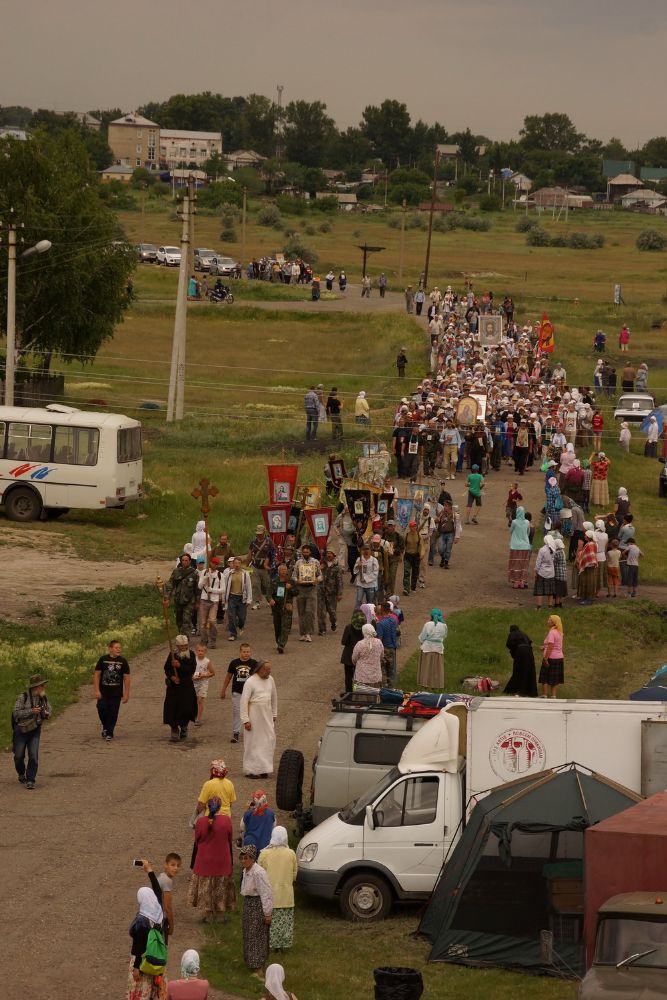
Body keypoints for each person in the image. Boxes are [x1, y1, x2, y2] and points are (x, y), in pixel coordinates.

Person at [188, 796, 235, 923]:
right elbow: (229, 838)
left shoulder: (200, 822)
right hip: (222, 862)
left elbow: (197, 840)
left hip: (204, 862)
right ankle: (220, 916)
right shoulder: (226, 821)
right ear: (220, 807)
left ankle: (208, 916)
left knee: (206, 889)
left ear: (208, 807)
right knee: (221, 888)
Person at [127, 860, 166, 1000]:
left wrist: (136, 967)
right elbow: (158, 891)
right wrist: (149, 870)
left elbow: (139, 946)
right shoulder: (159, 914)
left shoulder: (142, 922)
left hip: (143, 963)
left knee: (141, 994)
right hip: (156, 960)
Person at [259, 827, 298, 952]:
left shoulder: (265, 854)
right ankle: (282, 945)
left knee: (271, 921)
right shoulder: (291, 853)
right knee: (285, 922)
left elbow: (260, 874)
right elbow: (294, 874)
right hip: (286, 896)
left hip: (269, 896)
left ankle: (271, 944)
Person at [12, 673, 51, 789]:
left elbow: (49, 709)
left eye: (43, 685)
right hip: (21, 730)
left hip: (35, 730)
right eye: (41, 686)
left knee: (33, 755)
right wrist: (31, 711)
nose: (43, 688)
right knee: (18, 756)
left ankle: (30, 779)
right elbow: (16, 713)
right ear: (35, 687)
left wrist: (47, 714)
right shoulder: (23, 697)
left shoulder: (43, 697)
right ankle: (21, 773)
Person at [240, 661, 278, 778]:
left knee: (268, 740)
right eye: (266, 669)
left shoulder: (270, 679)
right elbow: (244, 701)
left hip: (266, 715)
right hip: (254, 716)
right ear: (260, 669)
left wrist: (274, 713)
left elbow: (274, 697)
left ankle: (263, 769)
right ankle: (251, 770)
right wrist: (245, 720)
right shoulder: (250, 681)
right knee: (253, 743)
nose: (269, 672)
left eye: (270, 669)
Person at [239, 845, 273, 973]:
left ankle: (258, 965)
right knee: (248, 934)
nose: (243, 861)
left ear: (252, 859)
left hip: (257, 906)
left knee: (256, 935)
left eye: (246, 858)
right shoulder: (246, 870)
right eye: (241, 858)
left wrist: (267, 913)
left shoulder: (259, 873)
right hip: (249, 904)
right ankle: (251, 963)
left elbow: (266, 893)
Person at [94, 639, 130, 742]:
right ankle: (106, 727)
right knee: (101, 708)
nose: (119, 649)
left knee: (113, 712)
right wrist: (97, 690)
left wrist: (126, 694)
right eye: (116, 647)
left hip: (116, 693)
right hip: (103, 692)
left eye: (120, 648)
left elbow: (127, 678)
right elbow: (97, 675)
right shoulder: (103, 659)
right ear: (110, 649)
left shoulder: (123, 661)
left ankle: (109, 732)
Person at [220, 642, 257, 743]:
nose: (246, 654)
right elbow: (228, 677)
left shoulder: (254, 663)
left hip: (250, 692)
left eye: (248, 652)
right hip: (237, 691)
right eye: (244, 652)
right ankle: (236, 732)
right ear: (240, 652)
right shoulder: (234, 663)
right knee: (237, 712)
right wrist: (223, 690)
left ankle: (250, 731)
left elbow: (258, 678)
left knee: (250, 712)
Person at [163, 636, 198, 742]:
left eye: (185, 646)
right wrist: (172, 677)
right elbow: (167, 668)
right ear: (177, 646)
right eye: (181, 646)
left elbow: (192, 669)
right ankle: (174, 729)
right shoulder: (173, 654)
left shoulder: (191, 654)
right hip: (174, 687)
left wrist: (179, 666)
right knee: (172, 708)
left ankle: (184, 726)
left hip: (186, 686)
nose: (183, 648)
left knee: (186, 708)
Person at [292, 544, 322, 642]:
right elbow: (294, 576)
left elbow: (320, 575)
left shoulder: (315, 562)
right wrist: (297, 580)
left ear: (310, 552)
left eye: (307, 552)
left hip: (311, 589)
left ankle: (308, 633)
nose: (305, 554)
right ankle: (302, 633)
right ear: (302, 553)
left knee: (310, 612)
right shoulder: (298, 563)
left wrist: (316, 580)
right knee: (301, 612)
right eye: (304, 552)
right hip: (301, 589)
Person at [165, 555, 199, 634]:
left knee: (186, 621)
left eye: (186, 560)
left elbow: (197, 589)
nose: (184, 562)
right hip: (178, 600)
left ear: (189, 561)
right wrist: (167, 598)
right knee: (179, 621)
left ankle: (185, 638)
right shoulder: (176, 572)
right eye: (183, 560)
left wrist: (198, 601)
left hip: (189, 601)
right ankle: (181, 636)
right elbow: (170, 585)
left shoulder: (194, 573)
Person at [222, 557, 253, 641]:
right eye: (235, 563)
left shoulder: (245, 574)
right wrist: (224, 599)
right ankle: (233, 634)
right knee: (231, 616)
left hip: (242, 598)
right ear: (233, 564)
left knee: (242, 617)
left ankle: (241, 626)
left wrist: (249, 599)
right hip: (232, 597)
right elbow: (225, 586)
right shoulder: (229, 574)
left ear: (241, 564)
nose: (237, 565)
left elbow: (249, 587)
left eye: (239, 563)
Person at [247, 526, 276, 610]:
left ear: (264, 532)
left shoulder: (269, 542)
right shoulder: (253, 542)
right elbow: (250, 553)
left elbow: (273, 554)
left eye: (261, 533)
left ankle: (269, 599)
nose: (259, 535)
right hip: (255, 566)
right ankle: (257, 602)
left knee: (267, 584)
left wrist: (271, 565)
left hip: (265, 567)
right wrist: (246, 565)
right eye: (258, 534)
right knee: (255, 584)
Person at [504, 625, 538, 697]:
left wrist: (514, 654)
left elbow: (509, 644)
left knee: (518, 670)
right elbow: (529, 642)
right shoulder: (523, 633)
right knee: (529, 670)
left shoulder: (512, 634)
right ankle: (530, 691)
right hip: (529, 652)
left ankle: (517, 690)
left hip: (521, 651)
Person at [417, 609, 447, 690]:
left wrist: (422, 641)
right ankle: (436, 683)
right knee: (436, 667)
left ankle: (425, 683)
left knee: (426, 666)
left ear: (431, 616)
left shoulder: (428, 624)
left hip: (427, 647)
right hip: (438, 648)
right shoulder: (444, 625)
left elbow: (423, 636)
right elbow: (444, 636)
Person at [269, 565, 295, 654]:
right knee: (277, 626)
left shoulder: (291, 581)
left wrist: (290, 588)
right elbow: (268, 593)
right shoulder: (274, 581)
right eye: (282, 570)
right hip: (276, 607)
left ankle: (281, 645)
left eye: (285, 570)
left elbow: (296, 592)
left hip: (287, 606)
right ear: (278, 571)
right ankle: (278, 641)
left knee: (285, 626)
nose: (284, 571)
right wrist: (270, 599)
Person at [317, 548, 343, 635]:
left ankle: (333, 622)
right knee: (321, 612)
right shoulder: (321, 565)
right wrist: (320, 569)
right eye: (327, 553)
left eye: (330, 553)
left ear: (333, 555)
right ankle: (322, 629)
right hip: (321, 591)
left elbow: (339, 581)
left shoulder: (337, 567)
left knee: (332, 612)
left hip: (332, 593)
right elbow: (315, 575)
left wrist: (339, 593)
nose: (328, 555)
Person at [158, 853, 182, 945]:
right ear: (165, 865)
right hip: (159, 920)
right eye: (172, 865)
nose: (176, 868)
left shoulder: (161, 876)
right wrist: (171, 926)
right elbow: (167, 907)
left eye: (178, 866)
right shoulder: (167, 881)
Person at [340, 610, 366, 692]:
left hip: (348, 656)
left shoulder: (349, 627)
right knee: (359, 676)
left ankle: (349, 693)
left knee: (348, 677)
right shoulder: (365, 628)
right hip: (360, 656)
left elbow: (343, 641)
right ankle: (358, 692)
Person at [351, 623, 384, 689]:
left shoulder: (360, 644)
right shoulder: (379, 642)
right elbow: (381, 656)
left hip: (361, 676)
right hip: (375, 676)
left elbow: (354, 659)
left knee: (360, 694)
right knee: (375, 693)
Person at [539, 614, 565, 698]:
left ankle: (544, 694)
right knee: (554, 678)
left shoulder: (552, 632)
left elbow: (551, 646)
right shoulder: (560, 632)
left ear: (553, 622)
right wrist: (544, 647)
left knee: (544, 677)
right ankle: (553, 695)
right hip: (559, 657)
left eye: (549, 620)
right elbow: (556, 645)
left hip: (550, 658)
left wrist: (545, 659)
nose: (548, 621)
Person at [374, 602, 399, 685]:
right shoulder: (393, 621)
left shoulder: (380, 624)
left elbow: (379, 639)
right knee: (390, 668)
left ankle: (384, 685)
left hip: (384, 648)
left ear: (382, 610)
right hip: (392, 647)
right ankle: (390, 684)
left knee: (382, 668)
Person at [508, 506, 532, 589]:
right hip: (525, 546)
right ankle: (522, 582)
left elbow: (511, 531)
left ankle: (516, 582)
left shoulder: (514, 522)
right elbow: (528, 532)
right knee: (523, 564)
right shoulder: (527, 522)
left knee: (515, 564)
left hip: (515, 546)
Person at [193, 644, 215, 726]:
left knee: (200, 700)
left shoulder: (207, 661)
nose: (200, 652)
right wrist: (192, 676)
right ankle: (194, 715)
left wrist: (203, 675)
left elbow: (212, 673)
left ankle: (198, 719)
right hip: (194, 682)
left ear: (205, 652)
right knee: (193, 700)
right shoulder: (193, 660)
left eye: (202, 651)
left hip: (203, 683)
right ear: (196, 651)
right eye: (199, 651)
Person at [353, 543, 379, 608]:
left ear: (370, 550)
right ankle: (358, 612)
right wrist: (358, 566)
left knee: (370, 602)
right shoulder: (359, 559)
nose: (366, 551)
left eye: (367, 549)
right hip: (360, 584)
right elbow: (355, 571)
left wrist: (365, 579)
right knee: (359, 600)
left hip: (370, 584)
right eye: (364, 549)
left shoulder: (374, 560)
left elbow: (375, 573)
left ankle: (370, 613)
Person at [533, 536, 555, 610]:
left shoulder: (542, 550)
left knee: (540, 589)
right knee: (550, 590)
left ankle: (539, 606)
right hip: (551, 573)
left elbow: (538, 561)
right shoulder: (554, 549)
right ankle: (550, 606)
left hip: (542, 572)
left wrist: (536, 571)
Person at [403, 520, 421, 595]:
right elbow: (403, 546)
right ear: (410, 527)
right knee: (406, 572)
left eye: (415, 526)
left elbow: (421, 545)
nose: (414, 527)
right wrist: (401, 555)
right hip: (408, 555)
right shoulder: (406, 535)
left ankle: (413, 587)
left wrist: (422, 554)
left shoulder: (419, 535)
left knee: (415, 572)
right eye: (413, 526)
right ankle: (406, 588)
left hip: (416, 556)